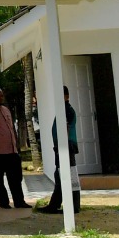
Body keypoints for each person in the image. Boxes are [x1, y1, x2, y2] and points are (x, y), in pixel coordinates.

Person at [39, 85, 82, 214]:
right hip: (64, 146)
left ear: (66, 96)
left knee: (67, 176)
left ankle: (70, 206)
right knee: (61, 175)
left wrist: (61, 148)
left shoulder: (66, 110)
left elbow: (65, 129)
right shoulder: (63, 109)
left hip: (66, 146)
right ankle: (57, 204)